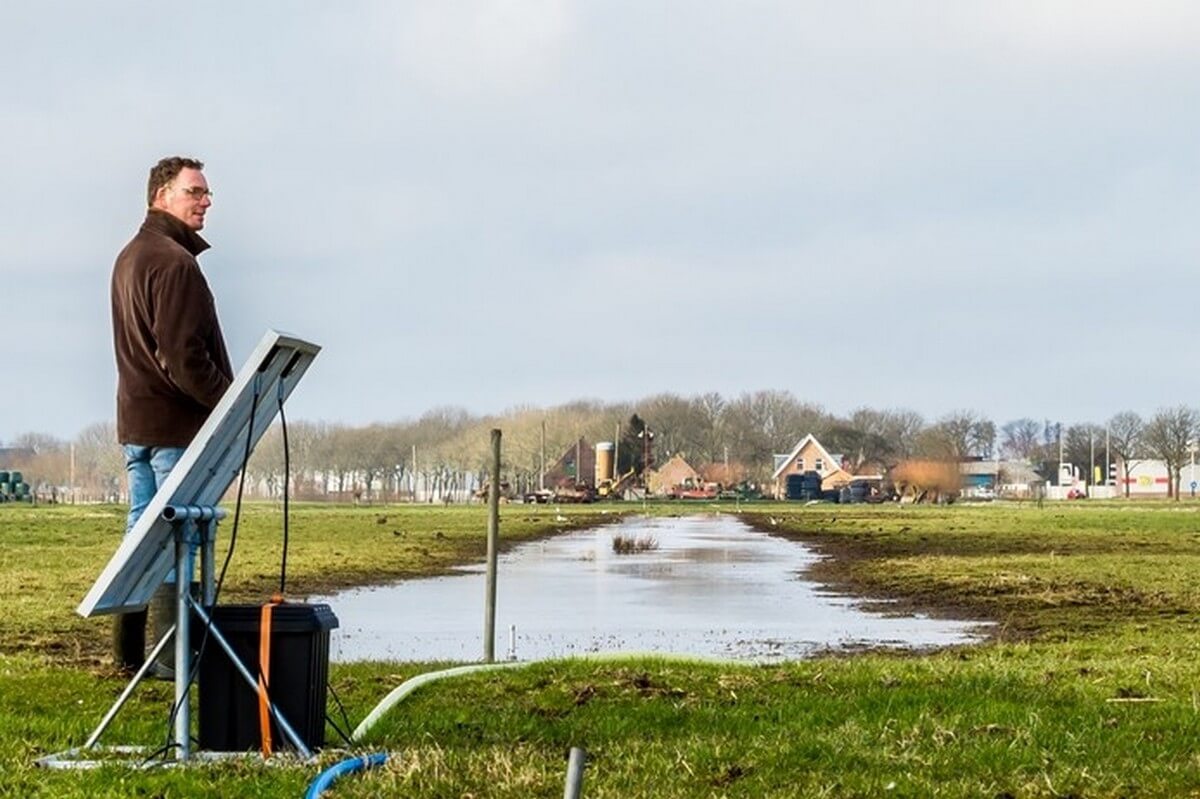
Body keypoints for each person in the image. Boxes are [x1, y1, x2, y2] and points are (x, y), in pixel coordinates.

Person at [110, 156, 233, 676]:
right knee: (180, 537)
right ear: (161, 195)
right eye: (194, 192)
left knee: (142, 533)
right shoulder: (175, 263)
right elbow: (183, 357)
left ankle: (129, 654)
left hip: (136, 424)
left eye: (206, 194)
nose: (205, 201)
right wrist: (229, 403)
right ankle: (170, 657)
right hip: (173, 429)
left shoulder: (129, 256)